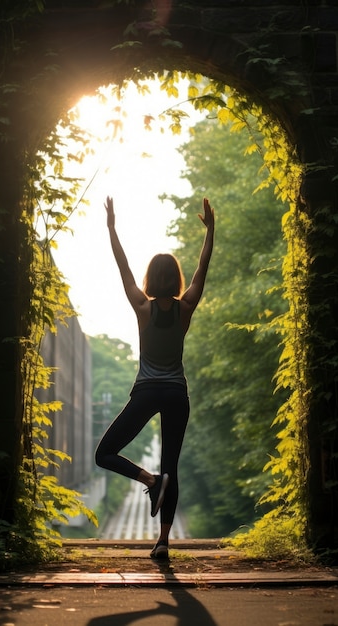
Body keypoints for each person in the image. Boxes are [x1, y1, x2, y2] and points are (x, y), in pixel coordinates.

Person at [95, 195, 214, 559]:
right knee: (171, 467)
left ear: (151, 279)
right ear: (175, 279)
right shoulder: (185, 307)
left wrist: (112, 227)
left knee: (104, 453)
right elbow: (201, 269)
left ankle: (147, 480)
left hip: (146, 392)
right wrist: (211, 232)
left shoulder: (142, 307)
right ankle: (163, 542)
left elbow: (123, 267)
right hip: (177, 394)